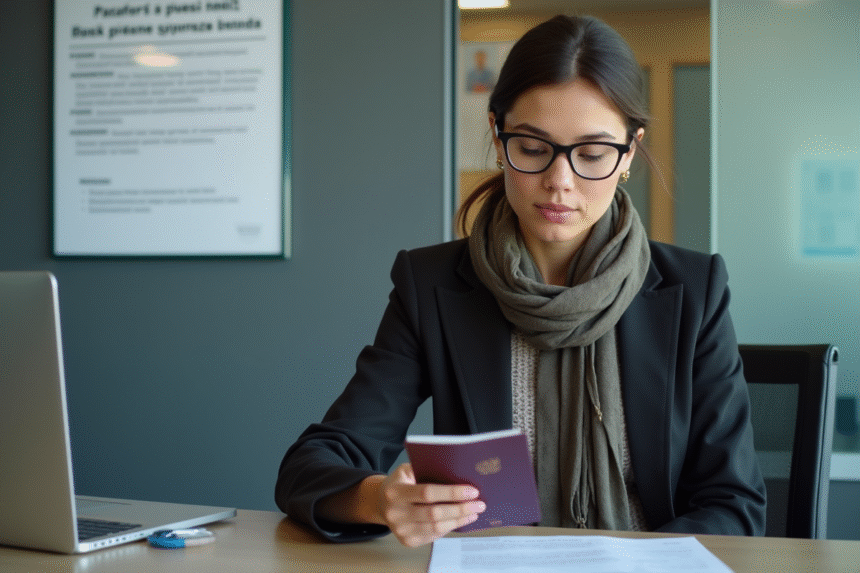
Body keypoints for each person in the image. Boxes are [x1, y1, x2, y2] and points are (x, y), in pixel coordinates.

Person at [276, 14, 766, 548]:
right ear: (497, 132)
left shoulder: (693, 291)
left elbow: (734, 505)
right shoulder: (433, 286)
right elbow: (311, 466)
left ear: (629, 153)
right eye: (533, 149)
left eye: (593, 155)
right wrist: (379, 500)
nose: (560, 182)